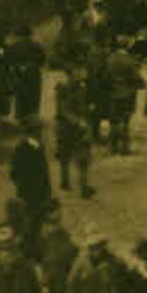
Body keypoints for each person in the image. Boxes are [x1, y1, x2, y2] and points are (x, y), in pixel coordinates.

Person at [54, 65, 94, 198]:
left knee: (83, 157)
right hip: (65, 127)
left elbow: (84, 105)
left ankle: (84, 186)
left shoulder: (83, 87)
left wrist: (89, 110)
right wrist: (77, 121)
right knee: (64, 156)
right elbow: (63, 110)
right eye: (78, 71)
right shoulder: (62, 88)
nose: (82, 72)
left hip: (79, 128)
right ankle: (64, 181)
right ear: (71, 73)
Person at [4, 25, 47, 123]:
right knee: (33, 94)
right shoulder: (36, 46)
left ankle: (21, 116)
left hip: (19, 71)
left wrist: (15, 67)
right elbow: (42, 58)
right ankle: (32, 115)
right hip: (33, 71)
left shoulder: (14, 47)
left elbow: (8, 59)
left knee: (21, 94)